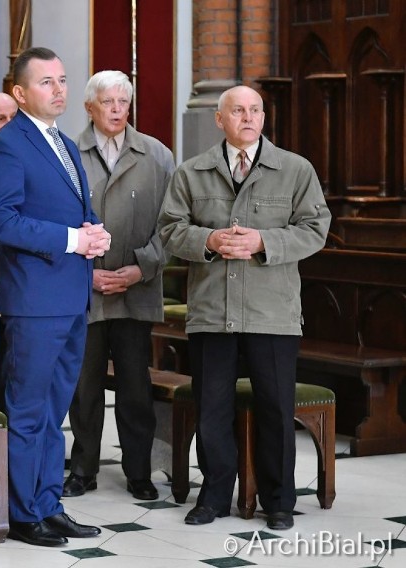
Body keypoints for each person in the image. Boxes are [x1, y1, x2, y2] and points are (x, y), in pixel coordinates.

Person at [158, 85, 331, 531]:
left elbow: (316, 229)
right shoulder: (191, 172)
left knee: (275, 408)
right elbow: (171, 229)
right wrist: (209, 240)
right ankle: (214, 496)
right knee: (211, 407)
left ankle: (278, 501)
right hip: (211, 312)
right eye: (238, 110)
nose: (248, 117)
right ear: (220, 119)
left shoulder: (295, 169)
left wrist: (264, 241)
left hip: (271, 313)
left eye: (255, 110)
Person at [0, 46, 110, 547]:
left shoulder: (65, 143)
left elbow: (66, 211)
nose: (59, 90)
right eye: (46, 82)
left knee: (56, 410)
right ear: (19, 92)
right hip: (34, 301)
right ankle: (19, 512)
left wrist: (91, 235)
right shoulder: (7, 145)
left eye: (62, 80)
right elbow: (1, 221)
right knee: (29, 409)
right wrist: (71, 240)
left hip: (70, 294)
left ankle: (48, 503)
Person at [64, 70, 175, 501]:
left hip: (136, 291)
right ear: (89, 107)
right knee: (84, 387)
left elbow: (173, 223)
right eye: (107, 102)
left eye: (123, 102)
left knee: (135, 388)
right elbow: (53, 221)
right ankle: (83, 469)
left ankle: (139, 472)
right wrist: (83, 273)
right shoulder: (69, 153)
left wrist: (139, 269)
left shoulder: (157, 155)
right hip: (83, 291)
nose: (116, 110)